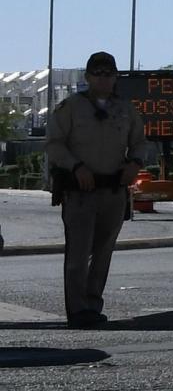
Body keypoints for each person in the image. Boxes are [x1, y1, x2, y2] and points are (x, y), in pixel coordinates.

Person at [44, 52, 145, 328]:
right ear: (88, 77)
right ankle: (77, 310)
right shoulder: (71, 108)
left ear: (115, 78)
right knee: (78, 253)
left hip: (113, 190)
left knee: (103, 253)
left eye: (109, 74)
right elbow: (54, 144)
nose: (104, 79)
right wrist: (75, 167)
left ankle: (93, 304)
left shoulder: (125, 109)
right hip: (80, 191)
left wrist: (135, 163)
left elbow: (140, 142)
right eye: (98, 74)